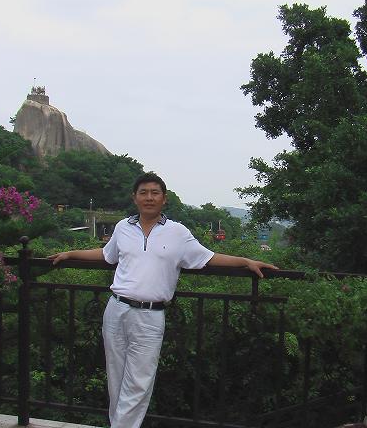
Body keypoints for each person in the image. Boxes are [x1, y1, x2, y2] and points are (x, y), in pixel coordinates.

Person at [48, 172, 278, 428]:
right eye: (143, 193)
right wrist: (71, 253)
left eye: (154, 193)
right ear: (134, 198)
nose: (149, 197)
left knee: (139, 382)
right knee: (116, 377)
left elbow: (208, 257)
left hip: (150, 315)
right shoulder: (123, 227)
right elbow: (106, 254)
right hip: (116, 308)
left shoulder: (177, 232)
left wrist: (245, 261)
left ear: (164, 199)